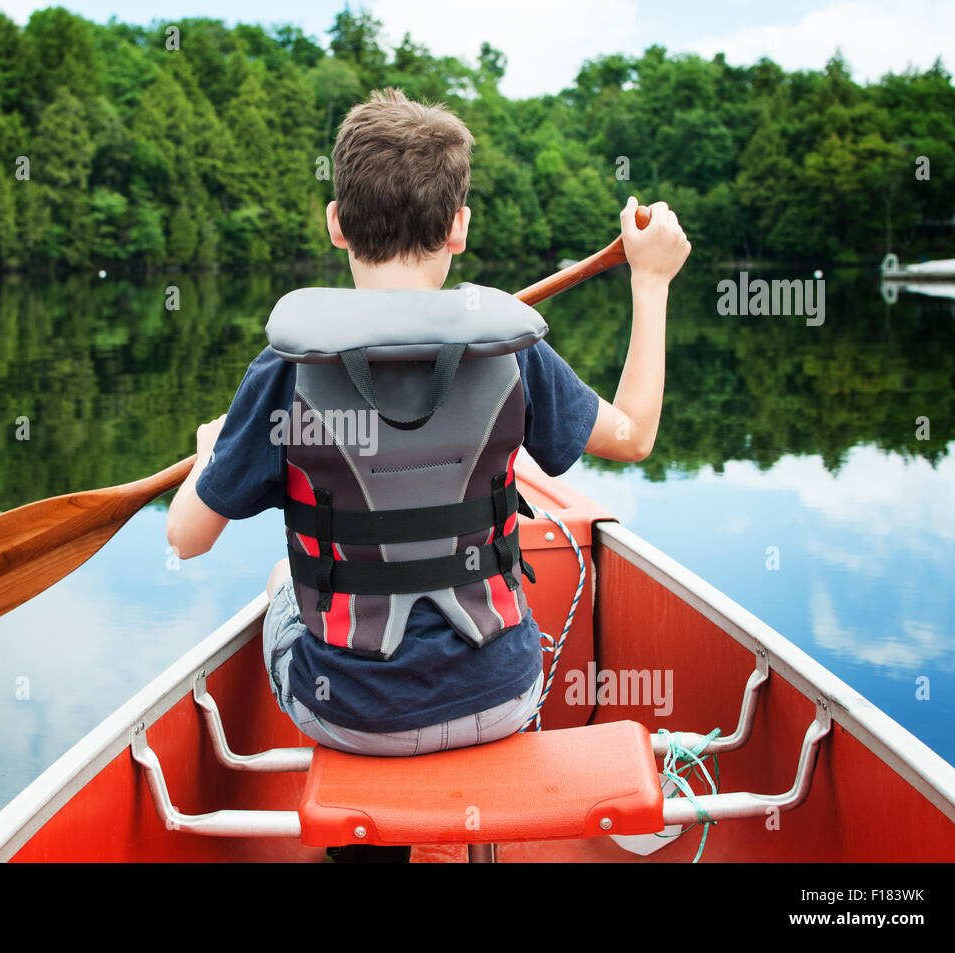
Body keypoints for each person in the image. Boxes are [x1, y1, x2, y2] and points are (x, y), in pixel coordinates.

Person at [166, 87, 690, 760]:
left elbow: (185, 539)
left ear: (336, 222)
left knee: (281, 581)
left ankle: (363, 835)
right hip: (505, 695)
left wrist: (211, 452)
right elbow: (635, 436)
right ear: (459, 228)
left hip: (350, 714)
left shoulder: (283, 370)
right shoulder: (513, 351)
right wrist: (651, 284)